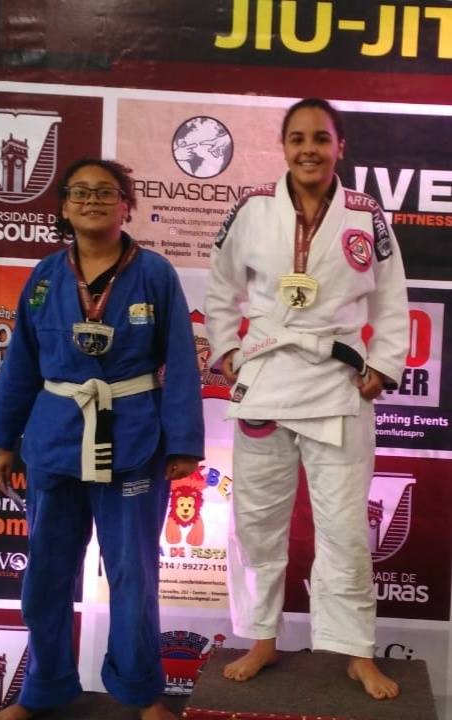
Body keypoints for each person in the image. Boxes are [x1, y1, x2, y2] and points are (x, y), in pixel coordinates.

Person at [0, 158, 204, 720]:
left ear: (127, 205)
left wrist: (182, 444)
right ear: (63, 206)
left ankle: (141, 690)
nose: (92, 201)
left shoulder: (154, 274)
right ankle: (43, 687)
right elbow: (22, 362)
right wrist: (5, 442)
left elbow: (180, 360)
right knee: (46, 575)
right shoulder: (45, 277)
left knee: (133, 575)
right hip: (55, 438)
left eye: (107, 192)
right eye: (80, 192)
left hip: (132, 438)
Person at [205, 98, 408, 700]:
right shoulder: (252, 208)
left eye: (321, 138)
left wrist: (384, 365)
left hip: (338, 382)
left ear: (340, 145)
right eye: (297, 138)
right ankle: (261, 637)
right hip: (267, 379)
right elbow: (221, 285)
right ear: (284, 146)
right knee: (257, 522)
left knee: (345, 528)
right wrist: (227, 349)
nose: (309, 149)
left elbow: (391, 297)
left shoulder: (366, 214)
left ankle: (356, 651)